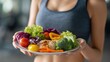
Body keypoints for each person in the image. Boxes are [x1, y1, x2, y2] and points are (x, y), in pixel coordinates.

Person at [13, 0, 107, 62]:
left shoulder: (95, 2)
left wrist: (83, 47)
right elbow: (29, 35)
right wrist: (20, 37)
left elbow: (97, 57)